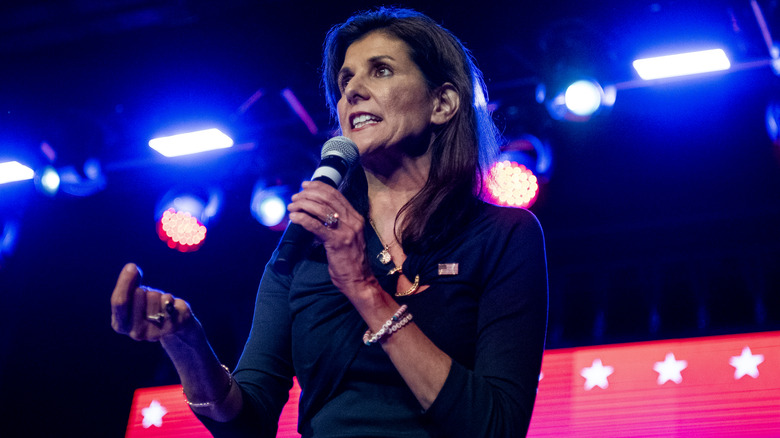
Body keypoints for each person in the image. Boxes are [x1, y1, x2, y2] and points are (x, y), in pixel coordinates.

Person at [111, 7, 548, 438]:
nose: (353, 90)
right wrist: (187, 345)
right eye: (345, 80)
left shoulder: (504, 235)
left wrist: (364, 289)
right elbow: (247, 422)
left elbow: (497, 426)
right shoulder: (304, 246)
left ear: (443, 103)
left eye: (380, 71)